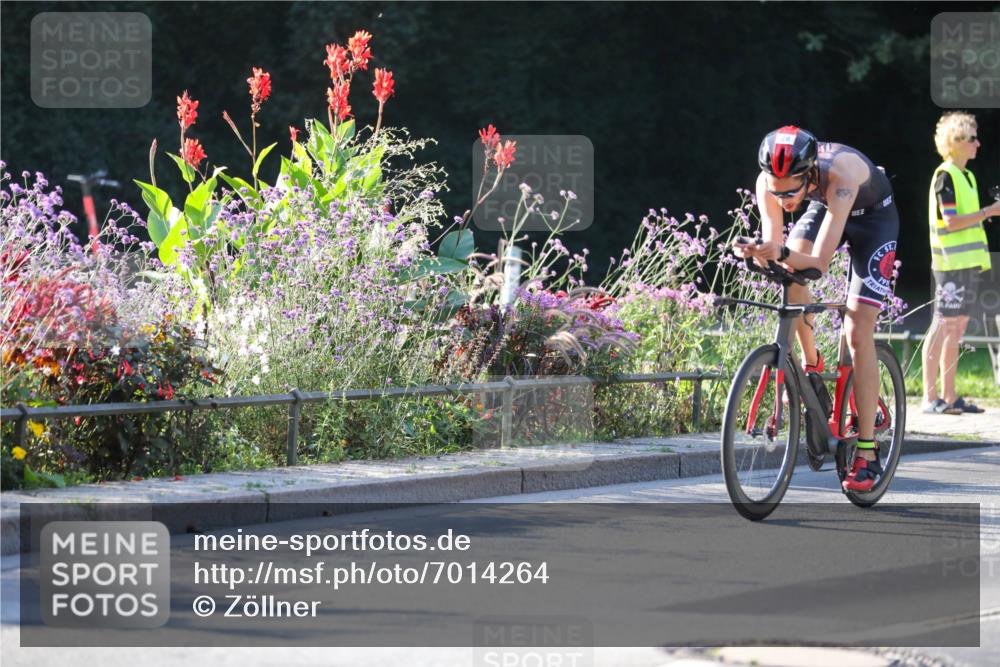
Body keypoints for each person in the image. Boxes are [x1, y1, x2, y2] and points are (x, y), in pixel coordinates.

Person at [734, 125, 899, 492]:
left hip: (873, 220)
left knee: (857, 330)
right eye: (776, 191)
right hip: (823, 205)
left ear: (809, 174)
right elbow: (776, 244)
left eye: (791, 191)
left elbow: (819, 263)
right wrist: (758, 252)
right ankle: (812, 363)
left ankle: (867, 453)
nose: (784, 199)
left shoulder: (840, 174)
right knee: (789, 274)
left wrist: (778, 252)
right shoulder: (772, 184)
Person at [921, 111, 999, 415]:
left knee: (957, 327)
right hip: (950, 266)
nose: (978, 144)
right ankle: (930, 399)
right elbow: (951, 221)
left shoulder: (967, 176)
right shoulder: (945, 176)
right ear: (955, 142)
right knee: (943, 325)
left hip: (966, 266)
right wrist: (988, 212)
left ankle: (950, 396)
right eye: (972, 138)